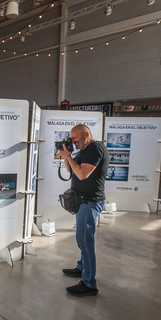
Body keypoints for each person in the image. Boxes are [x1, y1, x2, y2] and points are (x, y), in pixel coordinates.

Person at [58, 124, 110, 297]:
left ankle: (89, 283)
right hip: (82, 201)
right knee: (83, 239)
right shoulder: (84, 149)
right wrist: (67, 156)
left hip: (89, 202)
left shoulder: (95, 148)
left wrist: (68, 156)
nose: (73, 141)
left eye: (75, 139)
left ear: (86, 134)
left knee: (84, 240)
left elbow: (82, 175)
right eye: (71, 139)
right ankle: (82, 267)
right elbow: (69, 170)